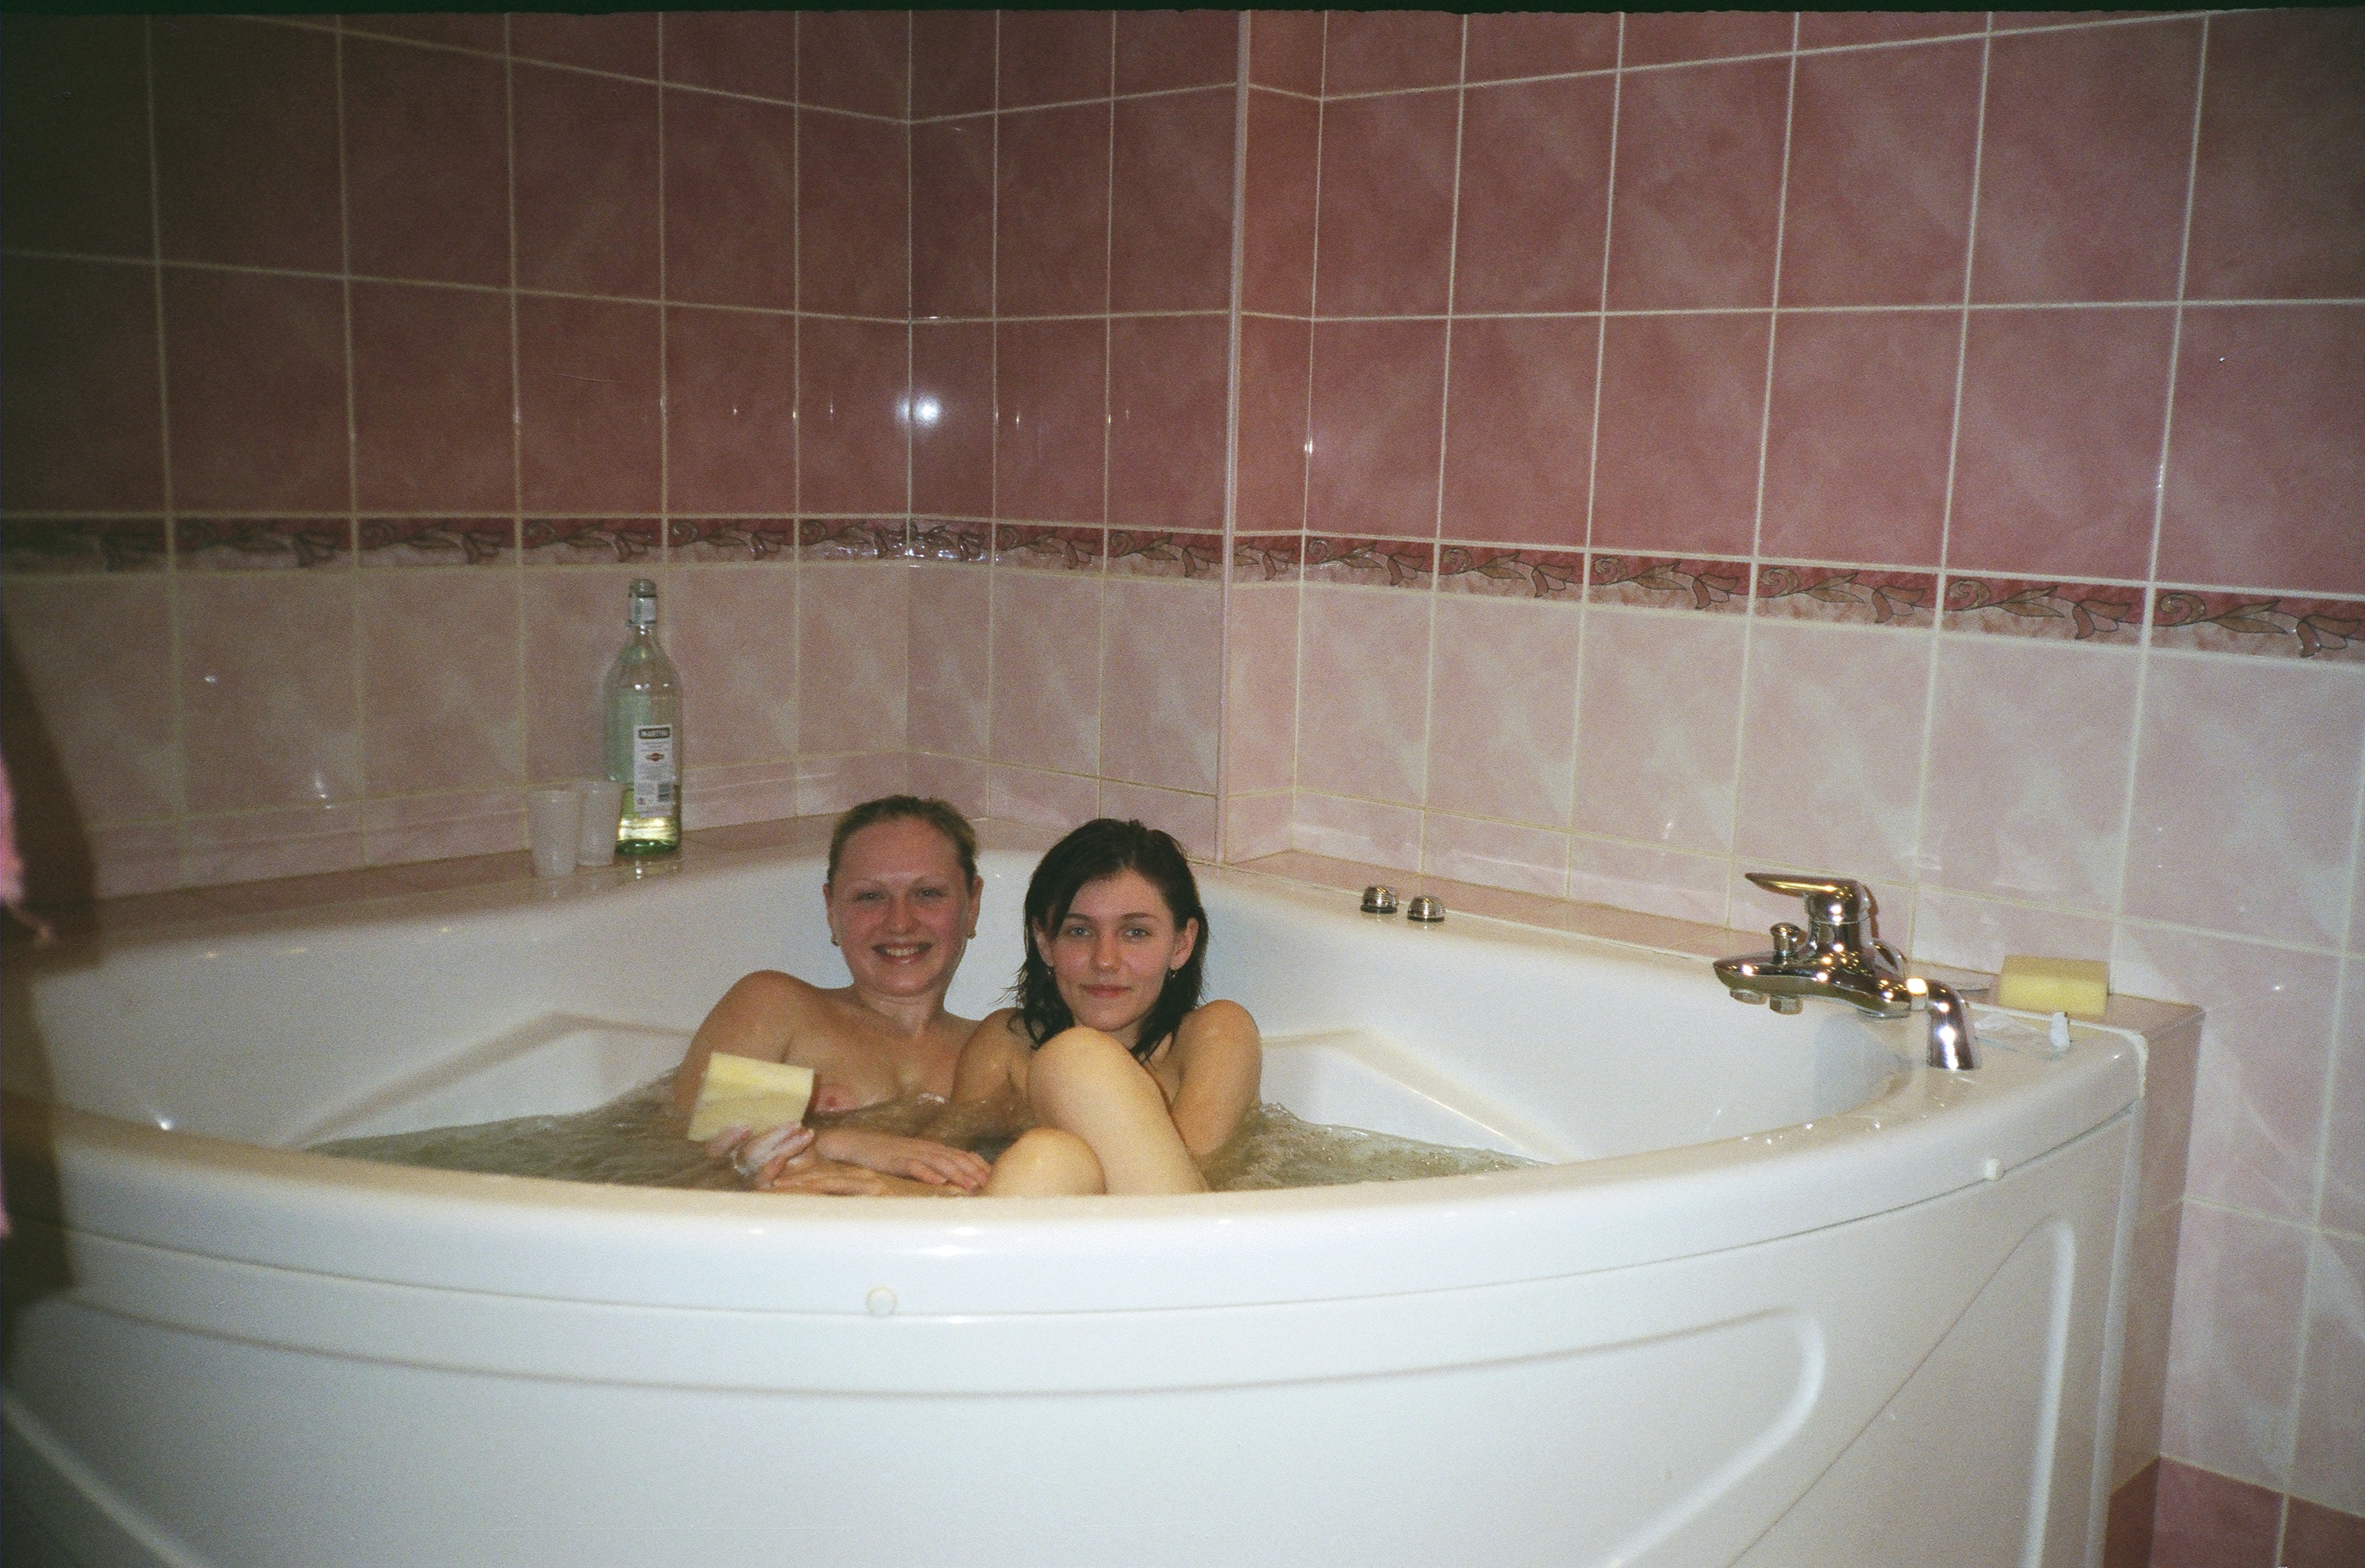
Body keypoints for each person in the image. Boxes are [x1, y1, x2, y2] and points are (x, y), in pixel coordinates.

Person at [675, 795, 993, 1192]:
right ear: (831, 909)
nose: (899, 923)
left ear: (972, 905)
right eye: (870, 897)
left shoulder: (995, 1049)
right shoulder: (779, 1008)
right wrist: (845, 1144)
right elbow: (679, 1158)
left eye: (927, 893)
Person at [952, 818, 1261, 1197]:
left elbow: (1188, 1179)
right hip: (1058, 1227)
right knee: (1048, 1159)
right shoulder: (1006, 1044)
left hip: (1193, 1229)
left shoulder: (1215, 1034)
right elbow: (943, 1171)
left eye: (1135, 933)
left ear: (1182, 944)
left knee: (1075, 1058)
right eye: (1079, 931)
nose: (1104, 960)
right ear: (1045, 942)